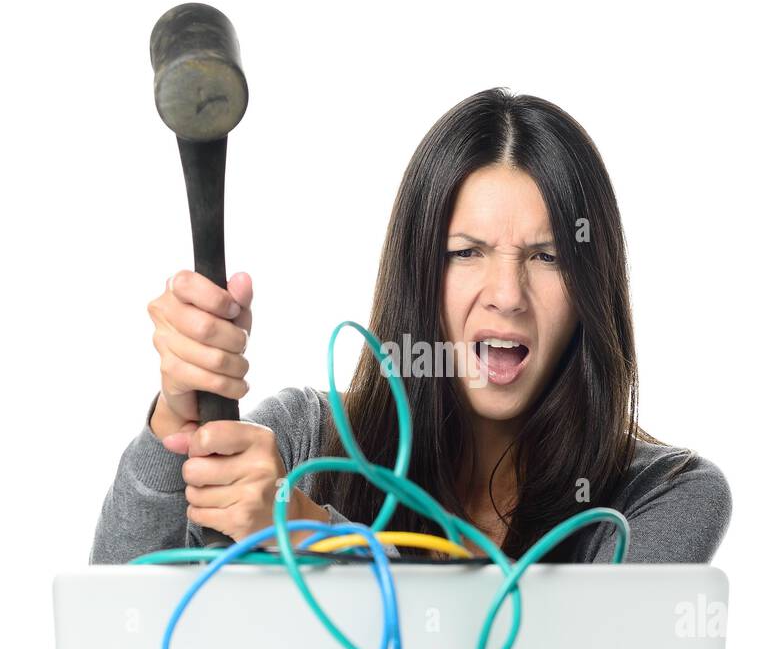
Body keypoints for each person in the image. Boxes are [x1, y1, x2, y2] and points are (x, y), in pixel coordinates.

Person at [89, 87, 732, 565]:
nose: (507, 296)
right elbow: (121, 634)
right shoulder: (305, 443)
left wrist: (317, 533)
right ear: (419, 275)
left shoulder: (663, 497)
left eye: (547, 256)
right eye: (466, 252)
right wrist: (177, 421)